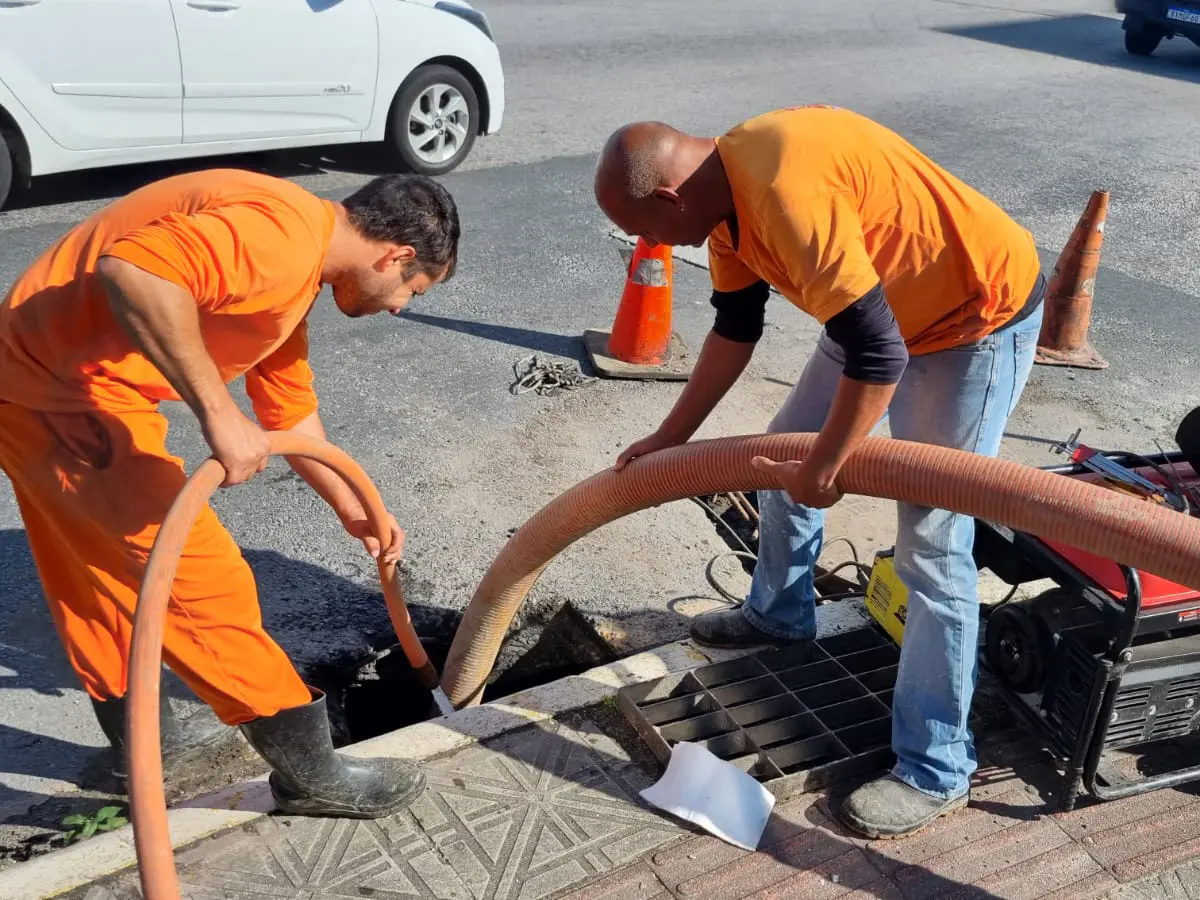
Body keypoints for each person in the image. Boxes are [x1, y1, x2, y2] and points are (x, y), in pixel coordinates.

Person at [593, 106, 1045, 839]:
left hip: (970, 320)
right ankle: (780, 613)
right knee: (781, 453)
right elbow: (737, 328)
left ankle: (936, 768)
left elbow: (880, 358)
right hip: (880, 314)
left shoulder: (783, 190)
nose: (649, 245)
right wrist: (667, 437)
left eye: (647, 227)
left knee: (933, 543)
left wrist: (827, 466)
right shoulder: (723, 201)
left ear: (672, 196)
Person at [0, 168, 460, 819]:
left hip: (33, 383)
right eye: (412, 288)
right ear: (396, 255)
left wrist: (355, 506)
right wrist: (218, 413)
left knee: (97, 583)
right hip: (66, 402)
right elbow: (135, 271)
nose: (400, 304)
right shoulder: (284, 239)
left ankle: (145, 740)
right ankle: (314, 776)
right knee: (202, 584)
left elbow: (291, 416)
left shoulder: (296, 263)